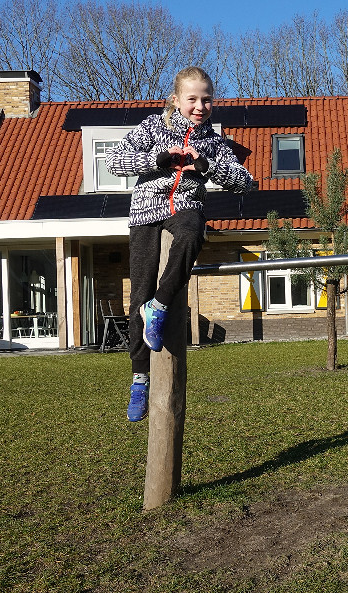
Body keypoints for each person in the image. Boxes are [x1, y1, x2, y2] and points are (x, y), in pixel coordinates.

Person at [106, 66, 254, 422]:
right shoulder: (152, 127)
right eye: (193, 99)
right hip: (146, 209)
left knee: (192, 232)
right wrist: (158, 161)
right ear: (176, 100)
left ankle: (160, 304)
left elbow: (245, 182)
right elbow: (114, 161)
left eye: (207, 99)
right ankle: (139, 378)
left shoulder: (215, 142)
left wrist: (206, 166)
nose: (200, 106)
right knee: (138, 291)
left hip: (185, 206)